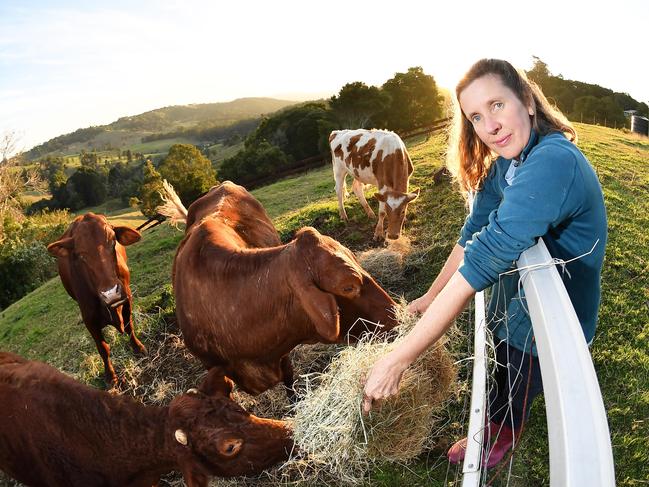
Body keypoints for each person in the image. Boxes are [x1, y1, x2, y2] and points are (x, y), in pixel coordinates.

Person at [361, 58, 607, 468]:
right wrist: (430, 295)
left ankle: (498, 439)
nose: (489, 125)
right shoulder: (511, 162)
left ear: (527, 101)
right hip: (526, 288)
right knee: (501, 350)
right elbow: (473, 233)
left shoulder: (552, 161)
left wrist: (399, 358)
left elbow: (481, 262)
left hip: (559, 307)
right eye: (475, 115)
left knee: (515, 366)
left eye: (497, 105)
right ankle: (498, 417)